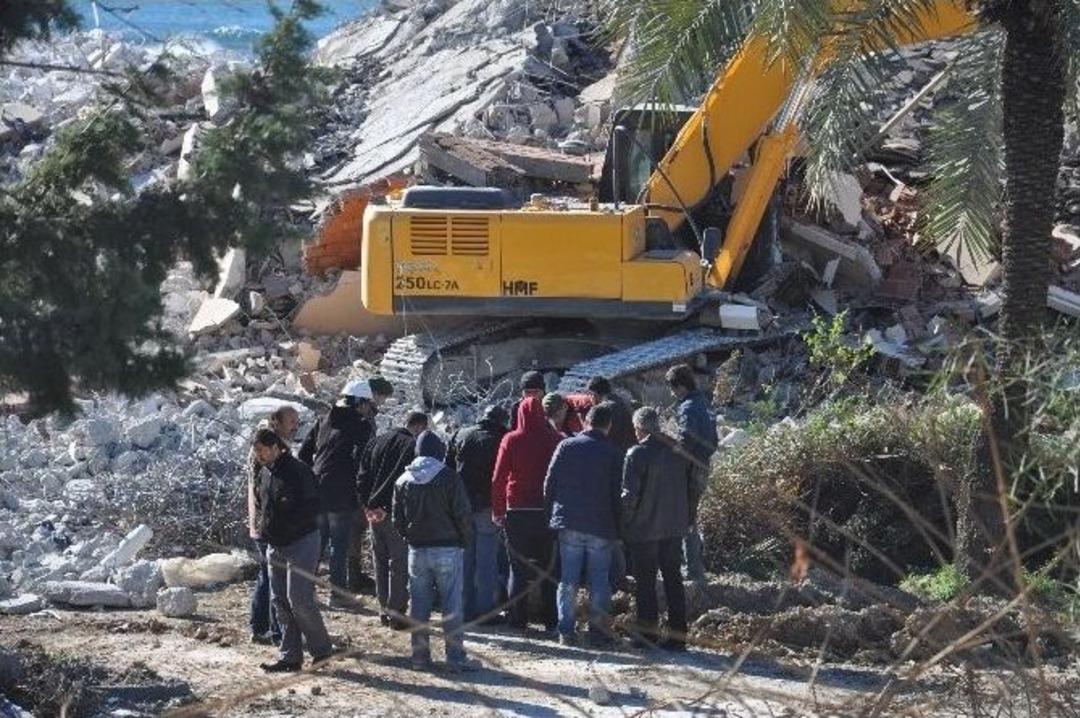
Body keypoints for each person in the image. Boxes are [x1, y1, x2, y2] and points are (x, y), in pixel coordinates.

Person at [299, 377, 391, 607]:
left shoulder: (324, 420)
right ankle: (337, 595)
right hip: (341, 492)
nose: (371, 409)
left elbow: (303, 453)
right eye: (369, 405)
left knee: (317, 544)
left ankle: (303, 592)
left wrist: (312, 477)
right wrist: (365, 492)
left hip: (316, 489)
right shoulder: (361, 425)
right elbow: (365, 461)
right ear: (360, 403)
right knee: (338, 545)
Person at [393, 430, 478, 671]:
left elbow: (397, 519)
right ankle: (455, 659)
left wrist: (409, 537)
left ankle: (420, 658)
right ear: (439, 451)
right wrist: (464, 541)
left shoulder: (403, 480)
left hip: (417, 550)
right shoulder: (449, 477)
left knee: (419, 606)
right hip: (448, 548)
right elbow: (463, 514)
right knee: (451, 606)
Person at [252, 429, 333, 672]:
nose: (259, 456)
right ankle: (290, 657)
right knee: (279, 601)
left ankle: (322, 652)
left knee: (299, 599)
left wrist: (286, 526)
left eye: (262, 451)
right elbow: (261, 503)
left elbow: (312, 506)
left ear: (276, 447)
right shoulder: (264, 472)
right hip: (275, 545)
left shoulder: (298, 471)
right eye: (256, 452)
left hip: (302, 541)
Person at [544, 403, 622, 647]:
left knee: (568, 579)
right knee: (599, 580)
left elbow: (549, 483)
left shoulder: (565, 446)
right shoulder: (613, 453)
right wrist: (619, 528)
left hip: (569, 522)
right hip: (601, 525)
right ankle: (597, 631)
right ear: (608, 426)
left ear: (586, 421)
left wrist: (552, 515)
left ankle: (565, 631)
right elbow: (617, 494)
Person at [622, 406, 692, 651]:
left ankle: (647, 633)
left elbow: (629, 496)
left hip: (644, 529)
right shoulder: (678, 451)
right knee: (673, 579)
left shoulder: (636, 453)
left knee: (645, 582)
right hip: (674, 527)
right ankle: (678, 635)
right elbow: (692, 487)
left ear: (639, 428)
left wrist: (625, 524)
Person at [491, 395, 562, 633]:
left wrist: (498, 510)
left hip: (517, 511)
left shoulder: (510, 440)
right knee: (549, 568)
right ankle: (551, 620)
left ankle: (517, 620)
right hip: (546, 512)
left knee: (518, 569)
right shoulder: (555, 439)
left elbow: (498, 478)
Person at [358, 411, 428, 628]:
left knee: (379, 562)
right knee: (399, 563)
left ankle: (383, 610)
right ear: (419, 427)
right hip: (395, 513)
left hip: (373, 512)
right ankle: (397, 613)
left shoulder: (376, 441)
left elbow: (361, 476)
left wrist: (368, 506)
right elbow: (409, 482)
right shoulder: (412, 446)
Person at [445, 405, 509, 623]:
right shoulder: (502, 438)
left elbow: (448, 470)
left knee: (465, 559)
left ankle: (464, 609)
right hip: (488, 507)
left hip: (462, 506)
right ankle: (486, 611)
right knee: (487, 560)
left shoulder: (461, 434)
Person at [247, 405, 299, 644]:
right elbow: (265, 488)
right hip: (266, 522)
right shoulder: (266, 447)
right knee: (272, 577)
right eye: (291, 421)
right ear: (276, 422)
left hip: (263, 521)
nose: (295, 426)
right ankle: (274, 629)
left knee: (267, 576)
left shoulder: (271, 444)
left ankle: (261, 626)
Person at [665, 364, 718, 583]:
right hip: (704, 465)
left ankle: (693, 570)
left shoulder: (687, 407)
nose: (672, 394)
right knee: (690, 517)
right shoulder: (704, 404)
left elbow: (686, 440)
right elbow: (713, 440)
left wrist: (671, 452)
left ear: (680, 386)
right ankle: (695, 567)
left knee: (684, 519)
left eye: (672, 388)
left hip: (690, 469)